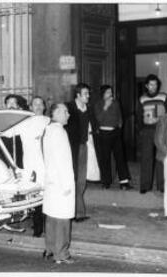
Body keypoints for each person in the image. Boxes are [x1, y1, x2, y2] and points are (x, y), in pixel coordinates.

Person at [42, 103, 76, 264]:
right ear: (55, 113)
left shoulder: (48, 130)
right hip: (61, 182)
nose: (68, 114)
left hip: (51, 181)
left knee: (52, 217)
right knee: (62, 219)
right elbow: (62, 161)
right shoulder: (60, 132)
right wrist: (67, 185)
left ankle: (50, 249)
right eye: (65, 111)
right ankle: (62, 254)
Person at [65, 83, 99, 222]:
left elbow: (95, 125)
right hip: (71, 148)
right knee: (72, 180)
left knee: (81, 181)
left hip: (84, 147)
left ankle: (78, 212)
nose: (88, 96)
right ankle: (73, 212)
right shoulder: (69, 108)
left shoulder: (88, 109)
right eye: (85, 94)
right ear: (78, 95)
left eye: (88, 93)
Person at [94, 85, 132, 190]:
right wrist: (105, 106)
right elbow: (99, 118)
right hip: (104, 134)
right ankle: (106, 182)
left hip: (115, 133)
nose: (110, 94)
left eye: (111, 92)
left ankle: (124, 182)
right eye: (107, 92)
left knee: (120, 157)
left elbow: (120, 116)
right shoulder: (98, 104)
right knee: (105, 158)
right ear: (102, 94)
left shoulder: (116, 103)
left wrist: (119, 125)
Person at [139, 74, 167, 194]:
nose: (153, 86)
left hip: (160, 130)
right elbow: (138, 115)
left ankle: (161, 186)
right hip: (147, 131)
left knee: (160, 158)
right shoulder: (142, 99)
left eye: (155, 84)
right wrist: (140, 130)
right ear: (146, 85)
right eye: (151, 84)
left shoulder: (164, 97)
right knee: (146, 158)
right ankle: (145, 186)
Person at [28, 96, 50, 237]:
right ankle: (37, 228)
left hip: (46, 164)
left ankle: (46, 228)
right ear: (30, 107)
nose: (38, 106)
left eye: (40, 104)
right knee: (35, 198)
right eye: (35, 104)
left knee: (46, 197)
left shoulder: (49, 122)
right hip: (31, 165)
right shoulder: (24, 122)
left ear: (44, 107)